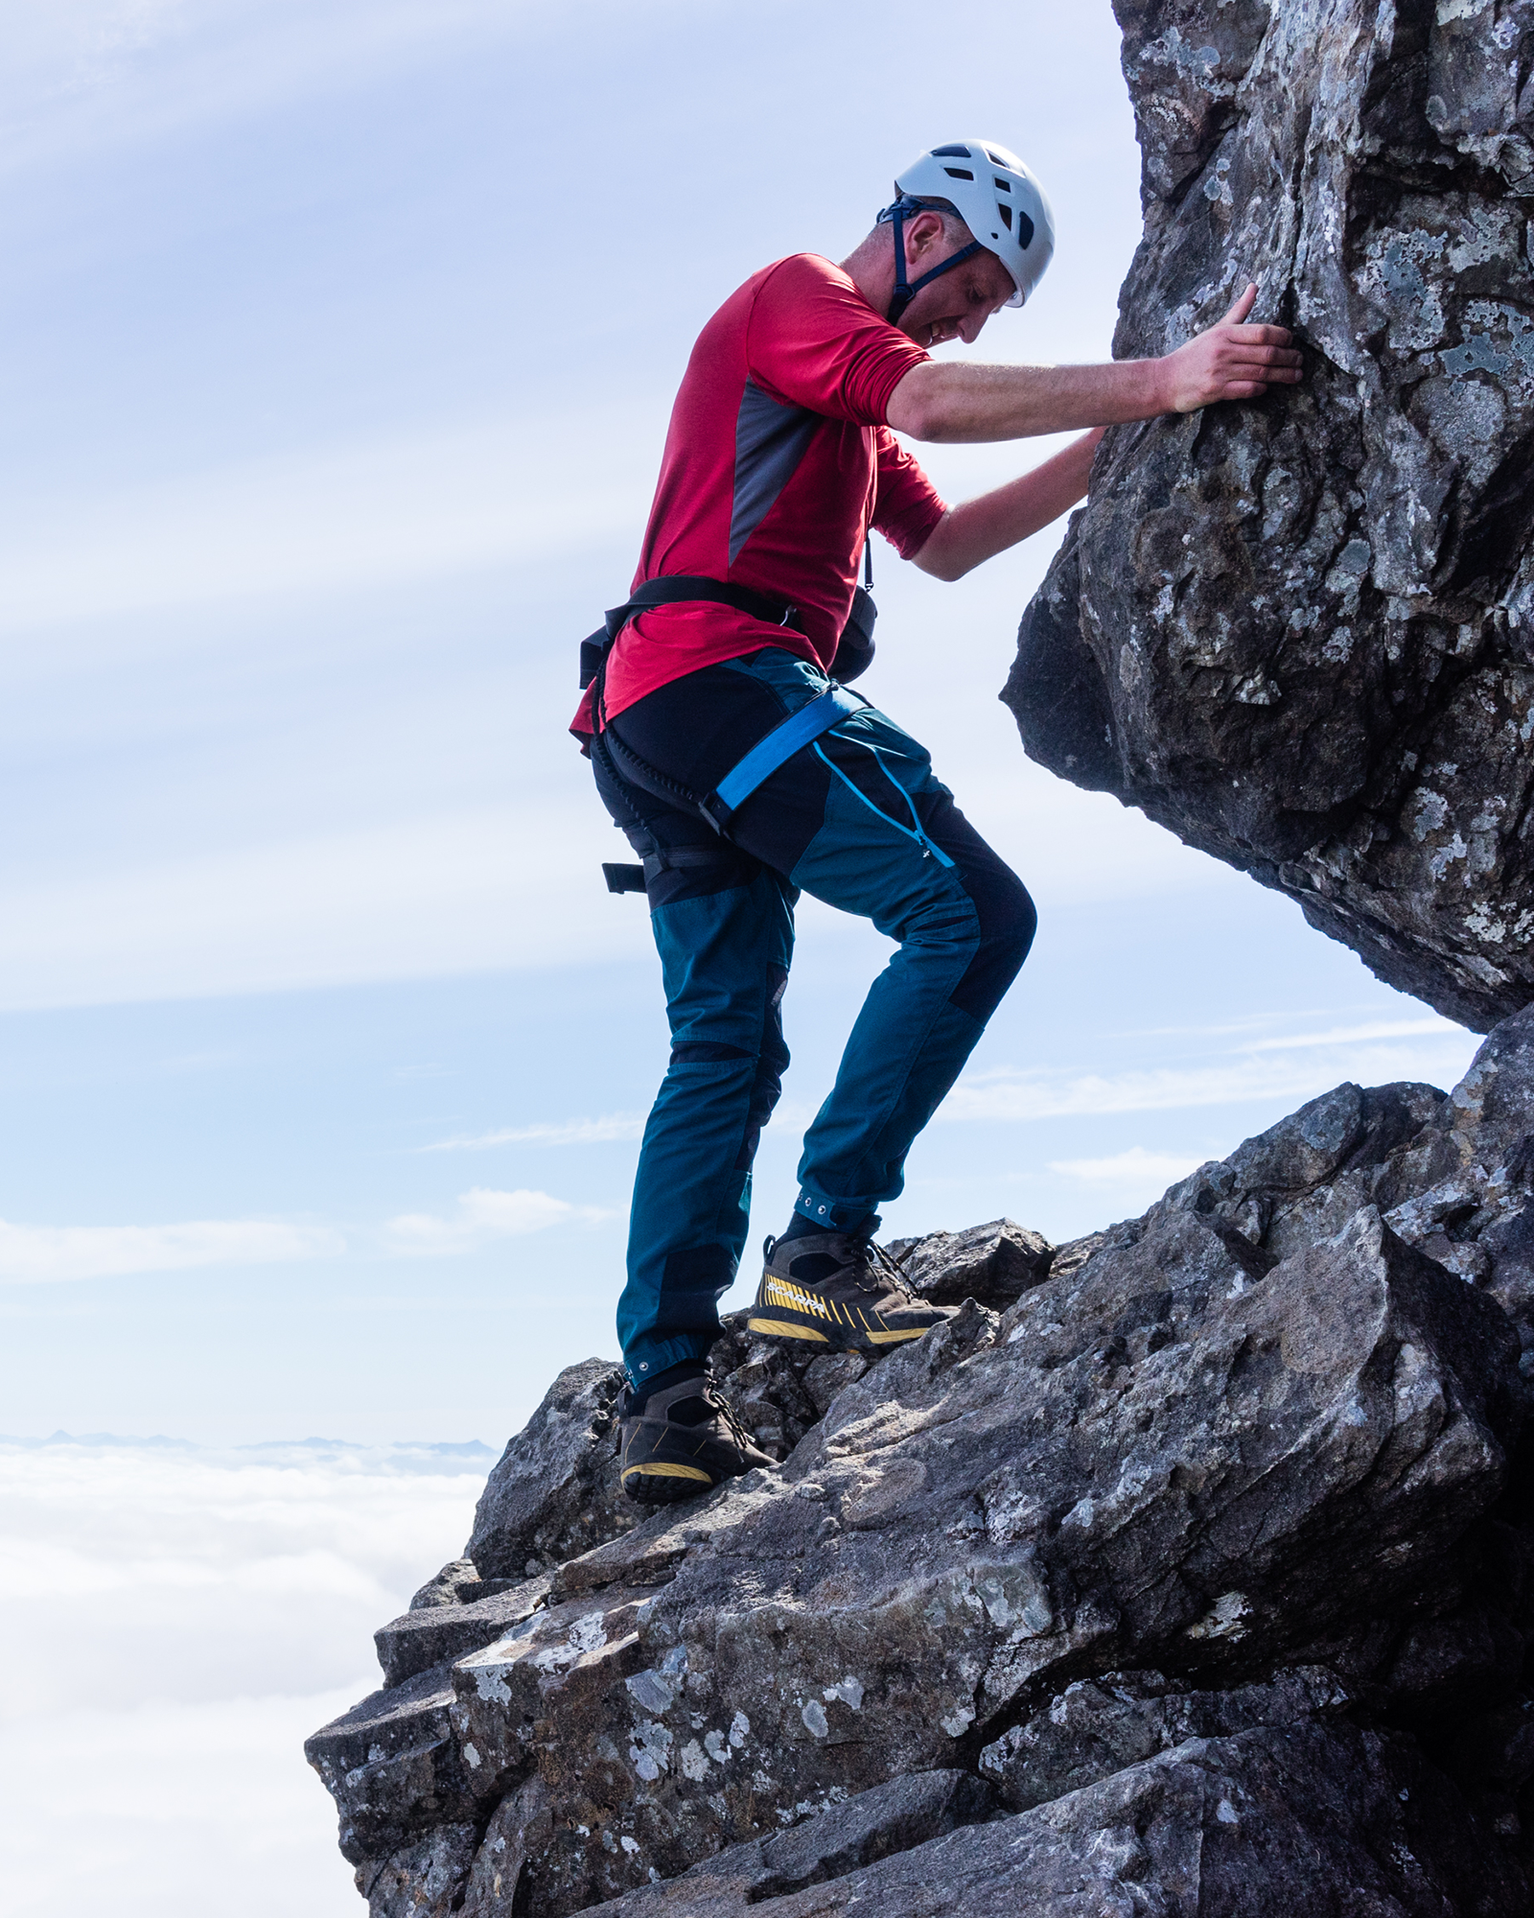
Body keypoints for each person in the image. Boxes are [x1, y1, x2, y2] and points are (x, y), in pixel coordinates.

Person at [572, 139, 1303, 1503]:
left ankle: (664, 1401)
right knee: (964, 916)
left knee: (721, 1042)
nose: (972, 319)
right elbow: (931, 395)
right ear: (916, 231)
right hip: (720, 682)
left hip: (660, 715)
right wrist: (1161, 374)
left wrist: (1138, 423)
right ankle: (823, 1254)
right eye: (972, 286)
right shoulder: (791, 298)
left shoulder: (837, 417)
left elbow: (952, 540)